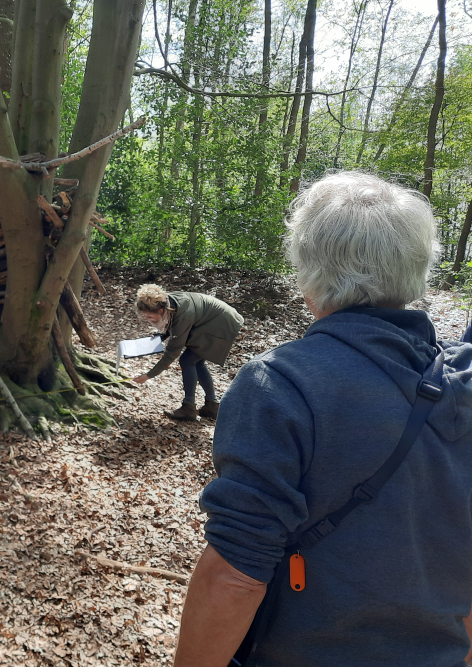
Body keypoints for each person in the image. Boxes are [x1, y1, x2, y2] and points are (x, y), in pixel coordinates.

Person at [173, 172, 472, 667]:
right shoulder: (461, 384)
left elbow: (235, 575)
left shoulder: (280, 384)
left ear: (309, 272)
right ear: (417, 267)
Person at [133, 284, 244, 420]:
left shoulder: (183, 314)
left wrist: (149, 375)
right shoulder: (168, 302)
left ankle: (189, 408)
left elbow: (173, 351)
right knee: (197, 362)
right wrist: (161, 336)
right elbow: (174, 324)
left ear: (161, 311)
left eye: (150, 317)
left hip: (221, 323)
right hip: (211, 320)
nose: (148, 320)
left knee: (187, 360)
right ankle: (212, 405)